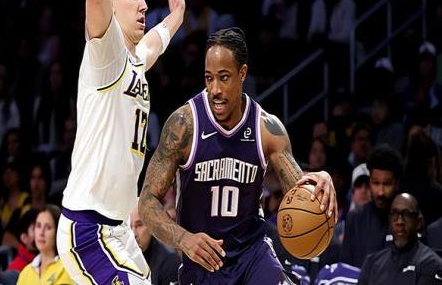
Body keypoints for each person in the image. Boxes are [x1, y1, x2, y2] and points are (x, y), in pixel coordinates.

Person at [56, 0, 185, 285]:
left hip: (119, 229)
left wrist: (176, 18)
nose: (144, 4)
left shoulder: (132, 61)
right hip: (86, 229)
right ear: (111, 6)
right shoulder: (105, 51)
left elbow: (153, 45)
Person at [139, 28, 337, 284]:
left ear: (242, 73)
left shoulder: (266, 129)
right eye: (209, 78)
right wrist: (184, 239)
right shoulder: (184, 125)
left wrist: (318, 182)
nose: (215, 89)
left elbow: (297, 191)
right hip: (203, 260)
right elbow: (147, 201)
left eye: (224, 78)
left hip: (252, 254)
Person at [341, 144, 403, 267]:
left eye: (387, 184)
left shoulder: (407, 220)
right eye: (376, 183)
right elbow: (345, 267)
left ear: (397, 184)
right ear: (370, 181)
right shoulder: (355, 219)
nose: (381, 192)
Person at [358, 193, 442, 284]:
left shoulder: (432, 264)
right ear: (389, 220)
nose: (399, 221)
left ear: (418, 222)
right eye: (394, 214)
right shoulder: (372, 263)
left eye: (406, 214)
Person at [18, 204, 73, 284]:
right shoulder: (25, 273)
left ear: (57, 232)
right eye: (38, 226)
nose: (41, 233)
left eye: (48, 227)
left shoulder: (68, 268)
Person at [130, 208, 181, 285]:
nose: (134, 234)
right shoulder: (123, 257)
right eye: (130, 226)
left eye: (139, 225)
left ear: (151, 227)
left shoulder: (169, 262)